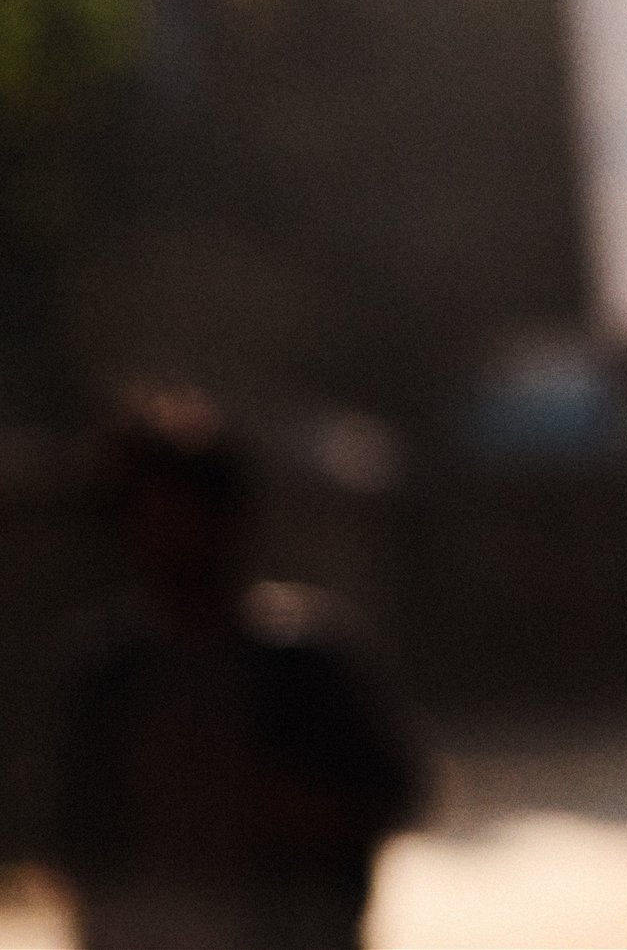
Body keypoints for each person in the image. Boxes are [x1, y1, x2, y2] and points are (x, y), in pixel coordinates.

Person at [44, 391, 426, 950]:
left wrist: (278, 807)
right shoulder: (110, 669)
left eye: (181, 516)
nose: (164, 538)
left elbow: (390, 795)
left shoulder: (305, 659)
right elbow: (72, 830)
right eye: (146, 519)